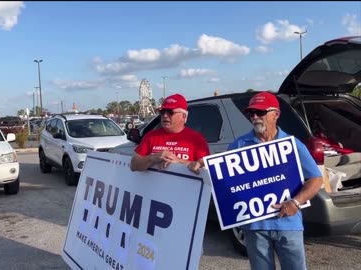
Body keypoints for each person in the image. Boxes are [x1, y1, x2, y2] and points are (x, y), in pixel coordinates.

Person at [228, 91, 322, 270]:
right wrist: (201, 165)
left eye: (260, 112)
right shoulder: (239, 145)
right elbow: (225, 180)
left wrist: (296, 202)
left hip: (288, 223)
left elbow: (316, 179)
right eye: (251, 113)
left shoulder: (293, 145)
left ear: (276, 114)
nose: (255, 117)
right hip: (255, 227)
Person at [130, 93, 209, 173]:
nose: (165, 115)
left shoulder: (197, 139)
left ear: (183, 116)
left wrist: (178, 161)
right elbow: (133, 165)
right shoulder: (151, 136)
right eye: (162, 112)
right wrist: (153, 157)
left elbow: (205, 168)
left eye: (170, 112)